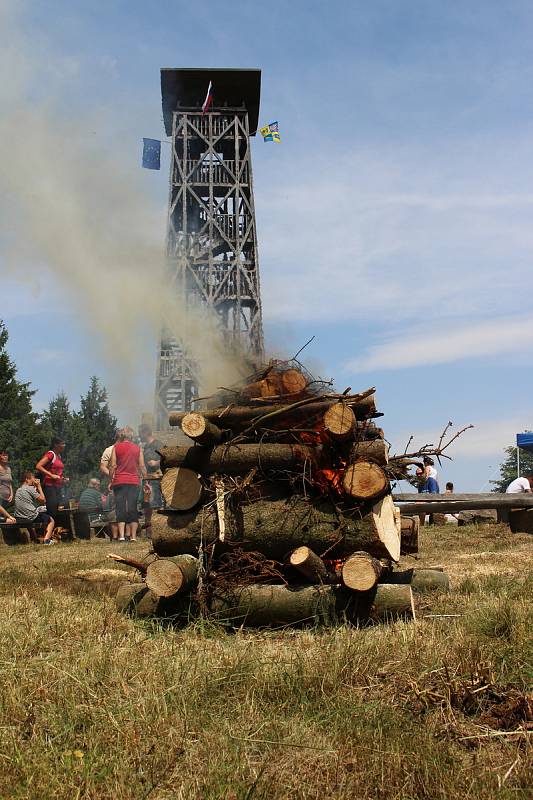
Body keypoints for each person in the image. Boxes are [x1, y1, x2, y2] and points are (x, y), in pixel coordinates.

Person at [109, 427, 147, 542]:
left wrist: (111, 479)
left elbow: (113, 466)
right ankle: (133, 537)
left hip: (119, 481)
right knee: (133, 508)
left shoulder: (116, 448)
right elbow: (142, 466)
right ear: (132, 436)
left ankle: (121, 536)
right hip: (133, 482)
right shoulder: (138, 448)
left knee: (120, 508)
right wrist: (146, 480)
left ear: (121, 436)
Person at [138, 423, 164, 539]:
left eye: (140, 433)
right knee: (147, 505)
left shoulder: (158, 444)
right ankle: (149, 533)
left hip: (155, 479)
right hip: (146, 481)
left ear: (145, 432)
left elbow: (167, 457)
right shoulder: (145, 447)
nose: (139, 436)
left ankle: (158, 531)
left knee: (155, 505)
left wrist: (156, 463)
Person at [14, 472, 55, 544]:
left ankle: (35, 539)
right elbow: (43, 501)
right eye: (33, 478)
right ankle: (46, 540)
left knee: (29, 519)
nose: (34, 480)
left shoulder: (18, 490)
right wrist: (39, 487)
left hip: (19, 518)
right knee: (51, 520)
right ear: (27, 479)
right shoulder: (30, 488)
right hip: (30, 517)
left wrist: (35, 487)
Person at [36, 437, 66, 517]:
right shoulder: (51, 454)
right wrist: (51, 475)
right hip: (49, 486)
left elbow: (57, 473)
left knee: (57, 511)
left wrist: (62, 479)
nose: (64, 445)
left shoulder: (58, 456)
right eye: (62, 444)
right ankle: (49, 528)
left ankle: (56, 528)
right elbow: (38, 466)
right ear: (56, 445)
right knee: (52, 511)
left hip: (57, 487)